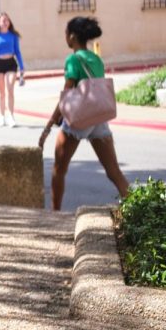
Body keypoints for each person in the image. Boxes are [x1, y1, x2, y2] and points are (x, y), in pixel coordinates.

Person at [39, 17, 129, 211]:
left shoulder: (73, 59)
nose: (65, 36)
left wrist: (49, 125)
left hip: (79, 120)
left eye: (66, 33)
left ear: (72, 36)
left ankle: (55, 215)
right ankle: (139, 209)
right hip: (98, 118)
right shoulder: (96, 58)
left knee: (59, 170)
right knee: (114, 172)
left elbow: (67, 93)